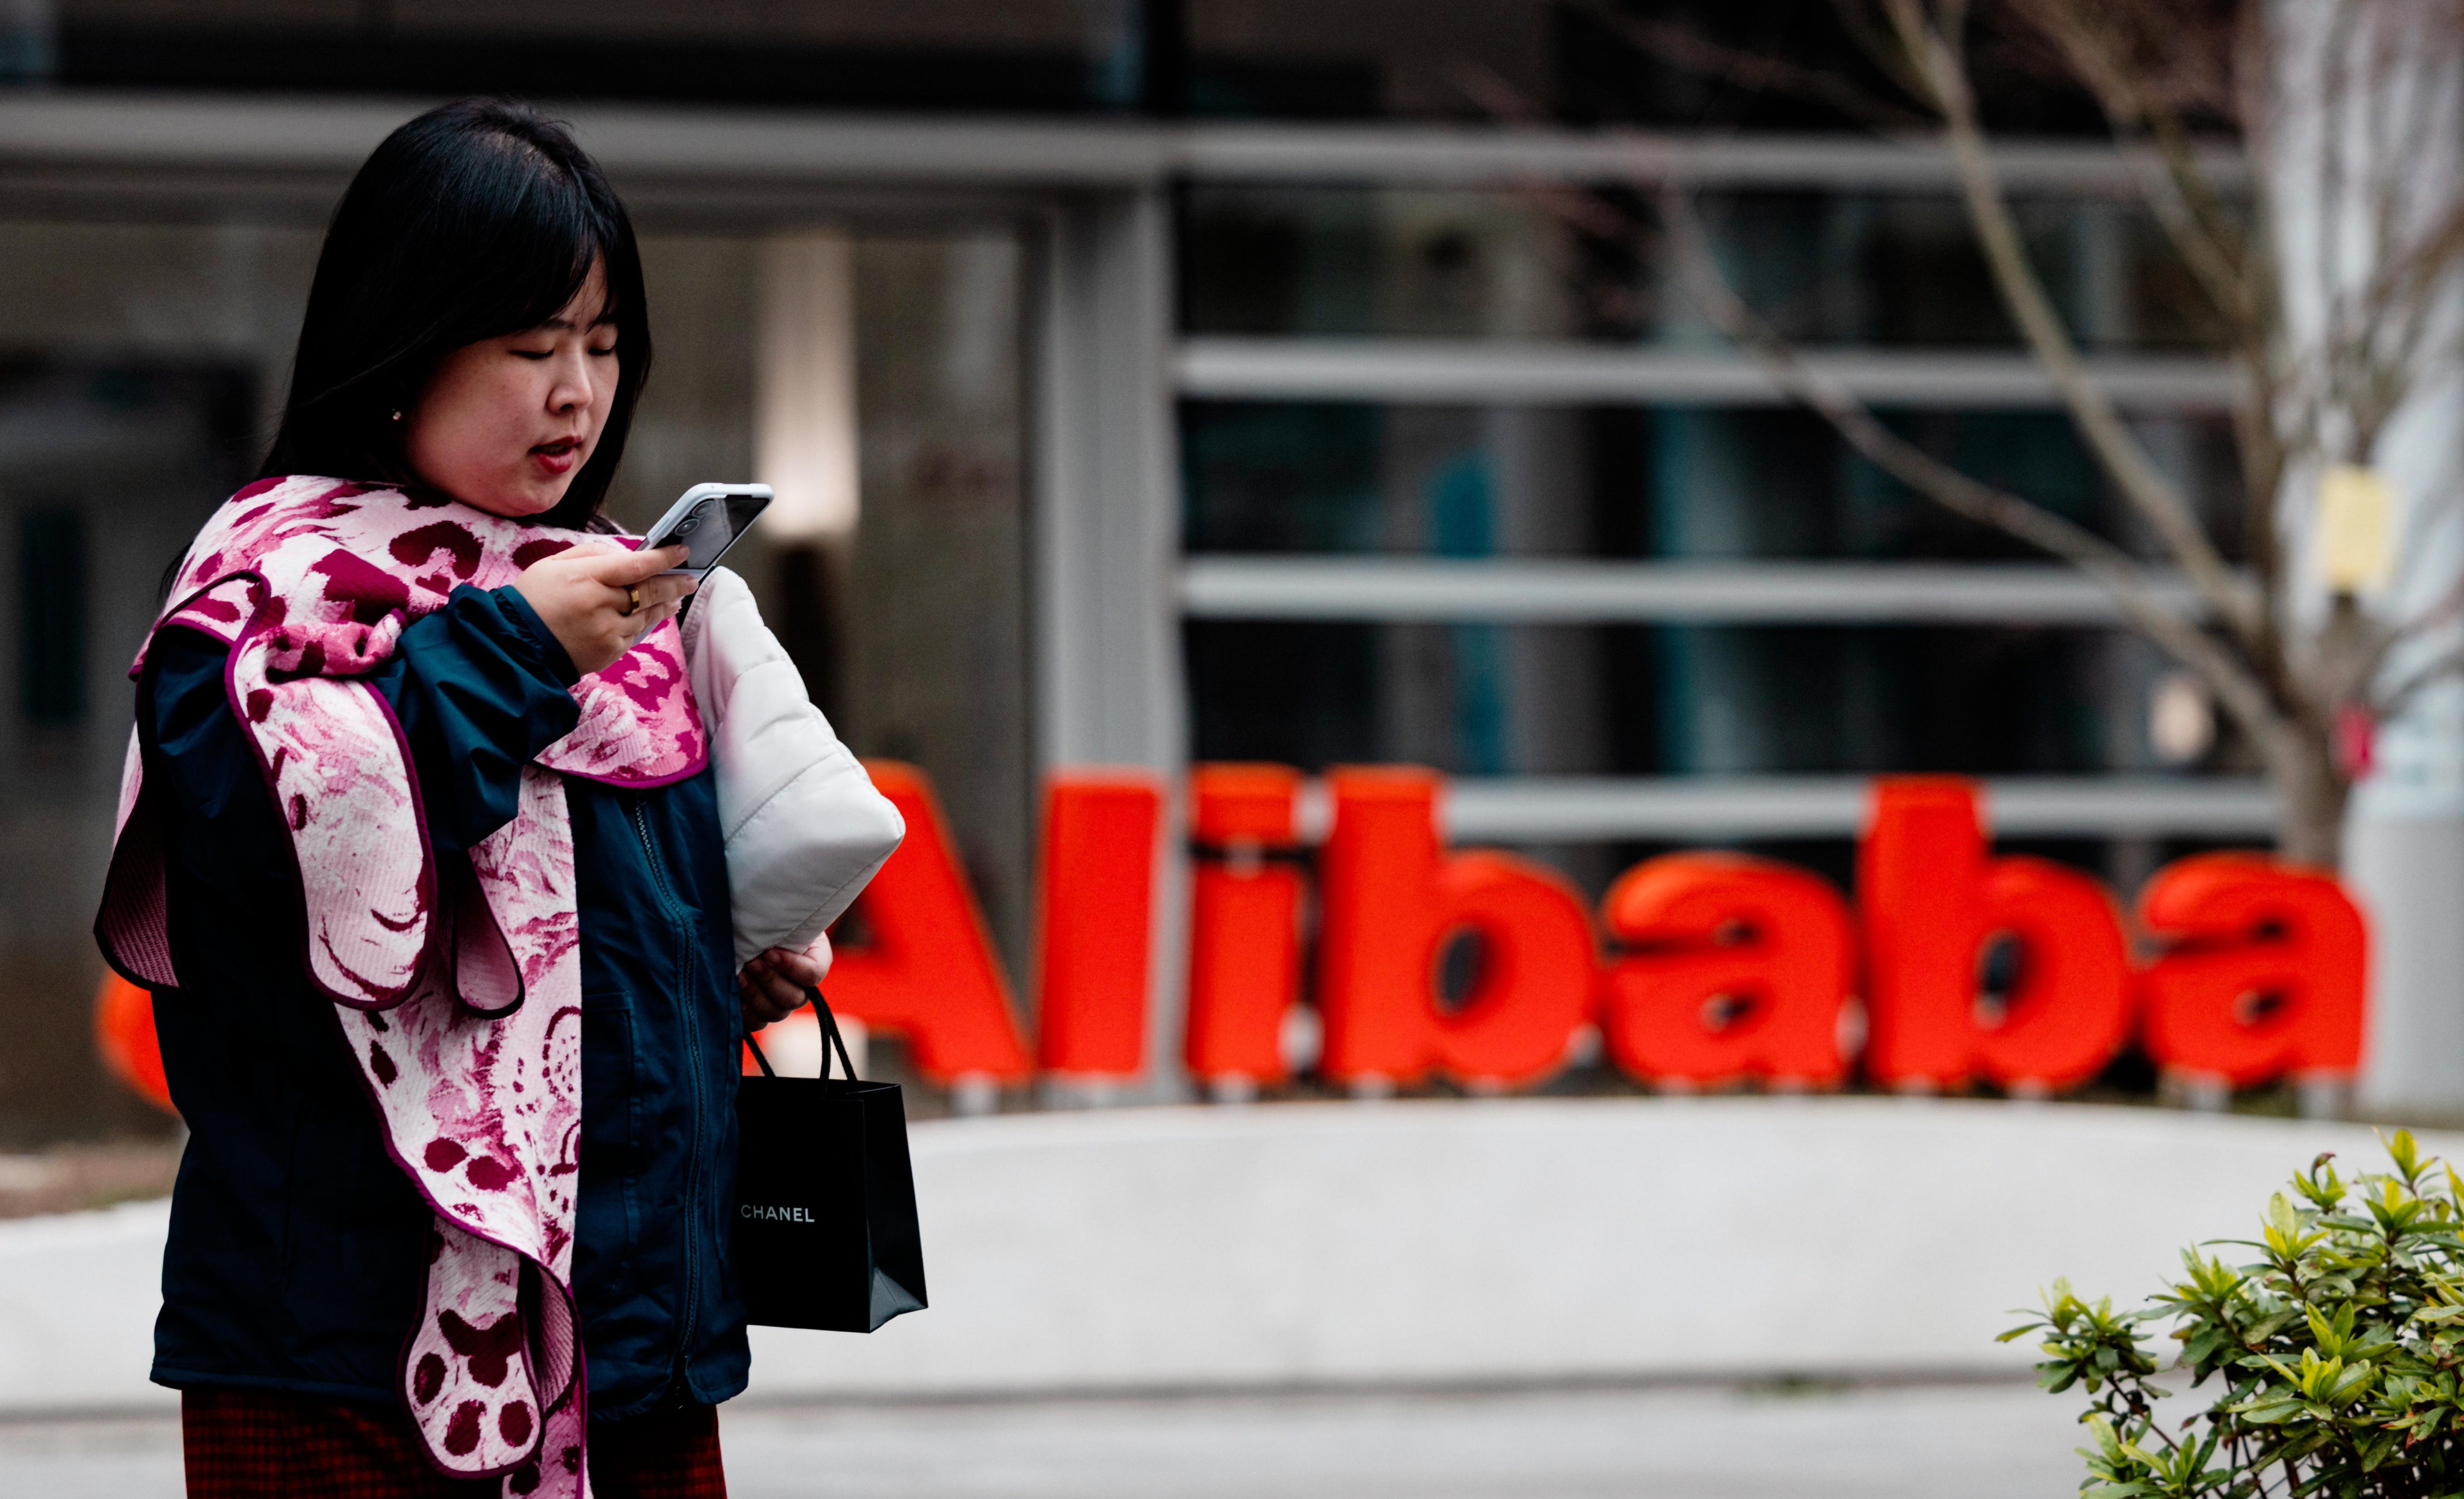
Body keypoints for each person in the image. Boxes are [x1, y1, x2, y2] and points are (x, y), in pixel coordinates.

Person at [91, 99, 898, 1498]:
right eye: (530, 347)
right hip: (340, 1346)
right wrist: (513, 650)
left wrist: (715, 972)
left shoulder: (622, 586)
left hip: (632, 1342)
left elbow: (576, 942)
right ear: (403, 350)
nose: (576, 392)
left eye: (600, 344)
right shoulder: (268, 590)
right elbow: (262, 888)